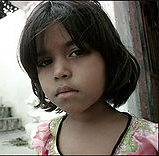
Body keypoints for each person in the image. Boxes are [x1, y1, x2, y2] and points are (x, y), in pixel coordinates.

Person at [18, 1, 158, 155]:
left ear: (108, 58)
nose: (59, 72)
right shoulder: (46, 139)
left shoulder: (149, 142)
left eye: (76, 52)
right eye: (45, 62)